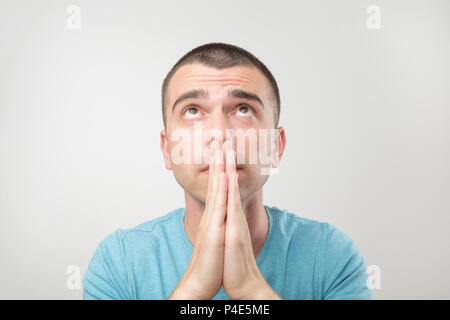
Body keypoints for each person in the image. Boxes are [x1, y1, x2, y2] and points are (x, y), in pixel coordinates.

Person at [82, 42, 372, 300]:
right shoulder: (119, 261)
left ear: (275, 147)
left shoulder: (331, 256)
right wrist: (194, 288)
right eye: (192, 110)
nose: (220, 134)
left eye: (243, 109)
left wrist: (251, 289)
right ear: (167, 149)